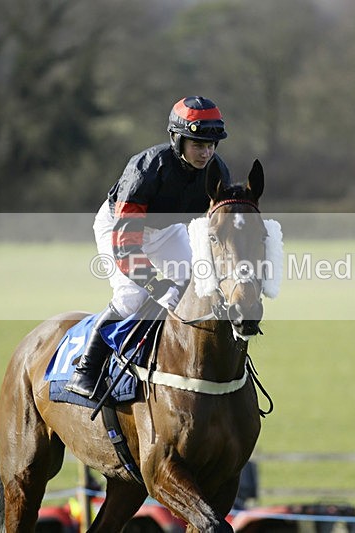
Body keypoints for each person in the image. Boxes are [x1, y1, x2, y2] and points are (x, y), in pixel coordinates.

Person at [65, 96, 231, 398]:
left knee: (198, 282)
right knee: (133, 296)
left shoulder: (217, 170)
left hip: (166, 231)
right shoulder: (146, 168)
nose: (206, 153)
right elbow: (126, 245)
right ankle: (85, 370)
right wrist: (157, 284)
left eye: (211, 145)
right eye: (197, 144)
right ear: (177, 140)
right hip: (121, 228)